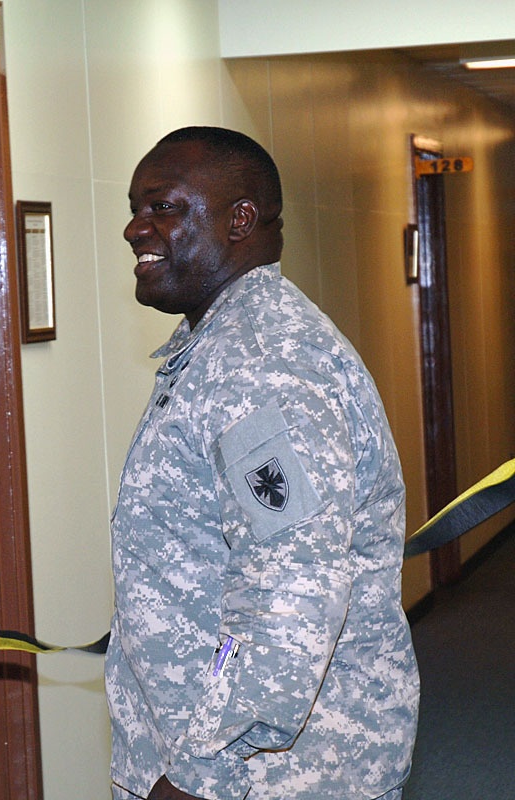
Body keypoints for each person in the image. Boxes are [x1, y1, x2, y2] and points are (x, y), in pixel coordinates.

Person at [105, 126, 420, 800]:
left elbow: (291, 594)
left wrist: (198, 775)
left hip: (270, 776)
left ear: (239, 220)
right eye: (135, 208)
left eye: (162, 207)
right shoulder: (219, 347)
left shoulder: (264, 368)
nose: (135, 228)